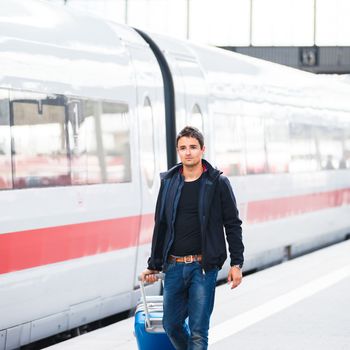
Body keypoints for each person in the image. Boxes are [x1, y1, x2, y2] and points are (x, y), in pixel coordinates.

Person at [141, 126, 244, 350]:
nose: (188, 152)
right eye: (183, 148)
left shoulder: (217, 183)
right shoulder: (168, 182)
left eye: (193, 147)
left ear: (202, 150)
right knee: (171, 325)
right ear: (178, 151)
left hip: (203, 267)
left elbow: (232, 224)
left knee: (198, 331)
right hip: (174, 266)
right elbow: (161, 225)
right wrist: (154, 264)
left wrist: (236, 263)